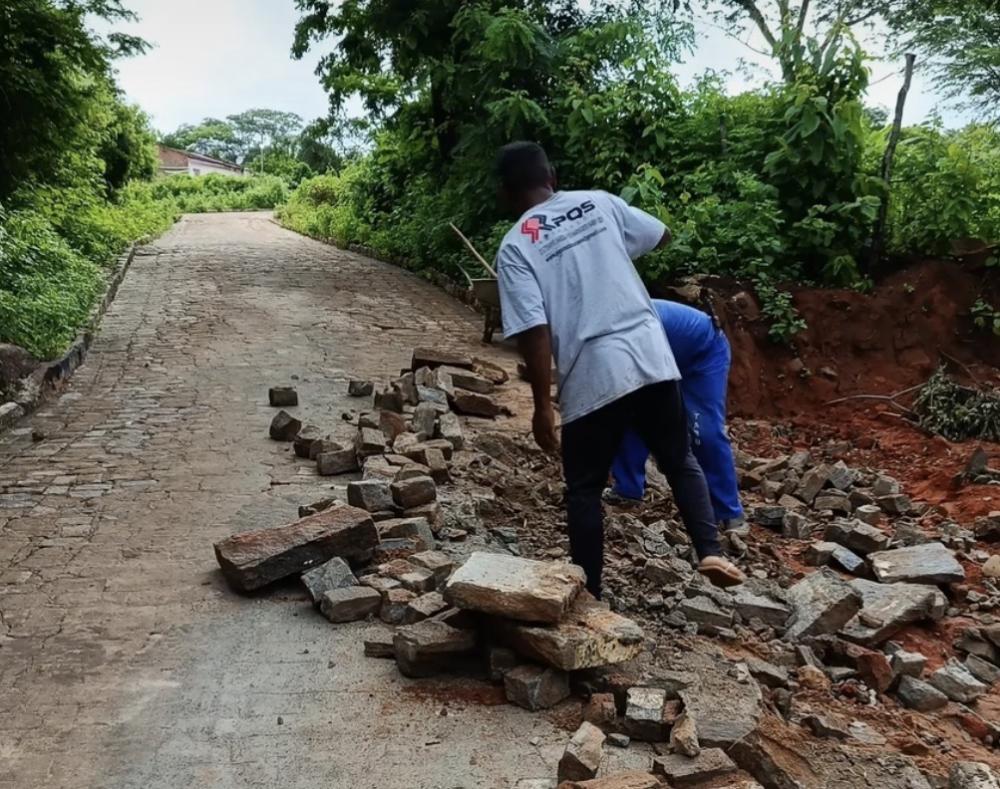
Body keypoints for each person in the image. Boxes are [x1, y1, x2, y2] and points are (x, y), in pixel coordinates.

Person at [493, 141, 745, 597]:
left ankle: (590, 594)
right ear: (552, 175)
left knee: (584, 489)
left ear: (508, 195)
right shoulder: (599, 202)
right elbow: (660, 234)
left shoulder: (515, 247)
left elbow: (534, 330)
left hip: (593, 374)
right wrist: (606, 253)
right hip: (651, 356)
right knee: (678, 459)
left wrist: (541, 409)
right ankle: (710, 547)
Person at [609, 299, 745, 530]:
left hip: (702, 354)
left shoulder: (626, 325)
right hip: (663, 355)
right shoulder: (606, 329)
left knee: (703, 431)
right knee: (628, 413)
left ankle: (728, 512)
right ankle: (628, 489)